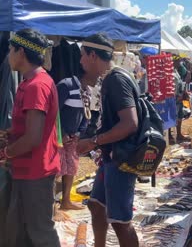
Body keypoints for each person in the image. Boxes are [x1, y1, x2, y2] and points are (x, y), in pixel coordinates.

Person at [76, 33, 139, 247]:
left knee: (121, 222)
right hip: (111, 156)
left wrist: (93, 141)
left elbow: (130, 123)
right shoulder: (111, 78)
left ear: (93, 55)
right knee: (96, 204)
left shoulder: (116, 79)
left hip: (120, 159)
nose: (80, 61)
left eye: (82, 55)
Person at [1, 29, 61, 246]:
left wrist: (6, 152)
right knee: (20, 231)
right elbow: (31, 130)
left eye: (10, 49)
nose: (8, 54)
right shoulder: (29, 82)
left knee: (40, 233)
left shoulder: (37, 85)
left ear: (21, 52)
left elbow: (33, 138)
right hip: (25, 169)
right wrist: (10, 134)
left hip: (35, 172)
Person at [56, 68, 96, 211]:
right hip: (59, 137)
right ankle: (51, 206)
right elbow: (53, 111)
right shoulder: (66, 86)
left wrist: (79, 133)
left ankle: (65, 201)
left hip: (73, 137)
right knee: (56, 169)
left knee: (71, 168)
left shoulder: (87, 92)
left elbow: (86, 115)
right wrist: (62, 133)